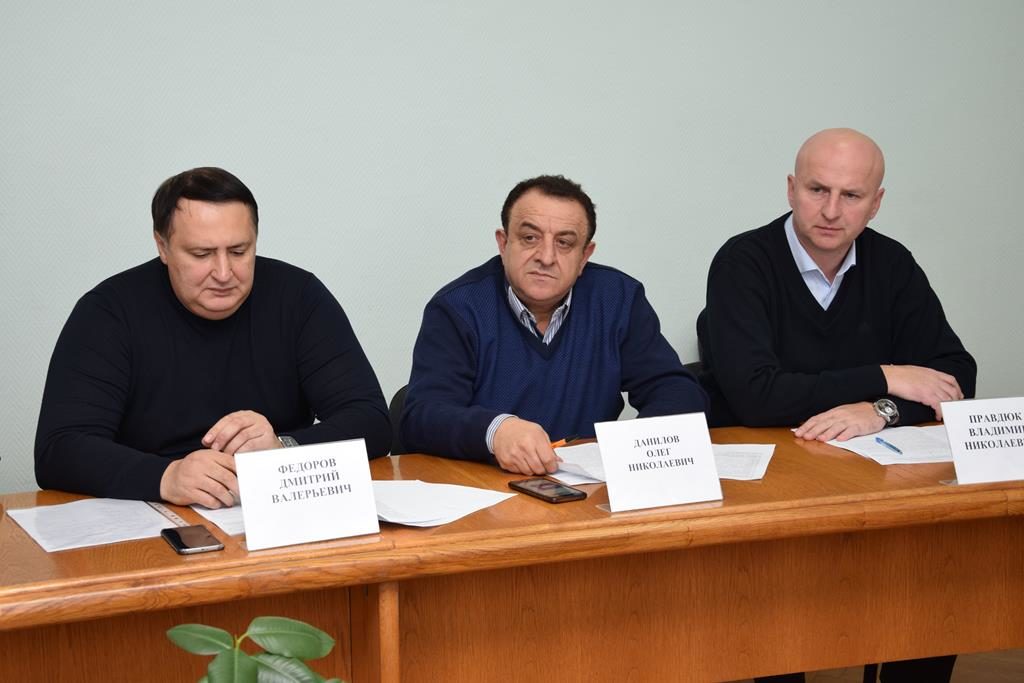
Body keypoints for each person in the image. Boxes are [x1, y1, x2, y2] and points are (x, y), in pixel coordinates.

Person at [698, 129, 972, 682]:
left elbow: (954, 376)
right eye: (817, 189)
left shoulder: (891, 263)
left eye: (851, 195)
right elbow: (758, 394)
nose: (830, 211)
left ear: (877, 202)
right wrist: (886, 377)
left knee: (936, 582)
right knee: (780, 622)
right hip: (771, 488)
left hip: (869, 480)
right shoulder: (743, 262)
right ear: (791, 188)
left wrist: (880, 410)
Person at [35, 167, 390, 507]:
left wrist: (282, 449)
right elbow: (59, 449)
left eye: (238, 251)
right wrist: (165, 477)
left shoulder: (298, 297)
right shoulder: (109, 312)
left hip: (274, 509)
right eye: (201, 254)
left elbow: (372, 420)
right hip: (151, 512)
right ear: (162, 246)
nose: (223, 273)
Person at [401, 174, 708, 475]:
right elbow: (422, 417)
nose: (546, 257)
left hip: (587, 488)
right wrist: (495, 431)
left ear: (584, 256)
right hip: (484, 487)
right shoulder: (458, 308)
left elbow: (677, 390)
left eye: (564, 243)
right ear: (503, 244)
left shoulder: (617, 299)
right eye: (530, 238)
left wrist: (635, 453)